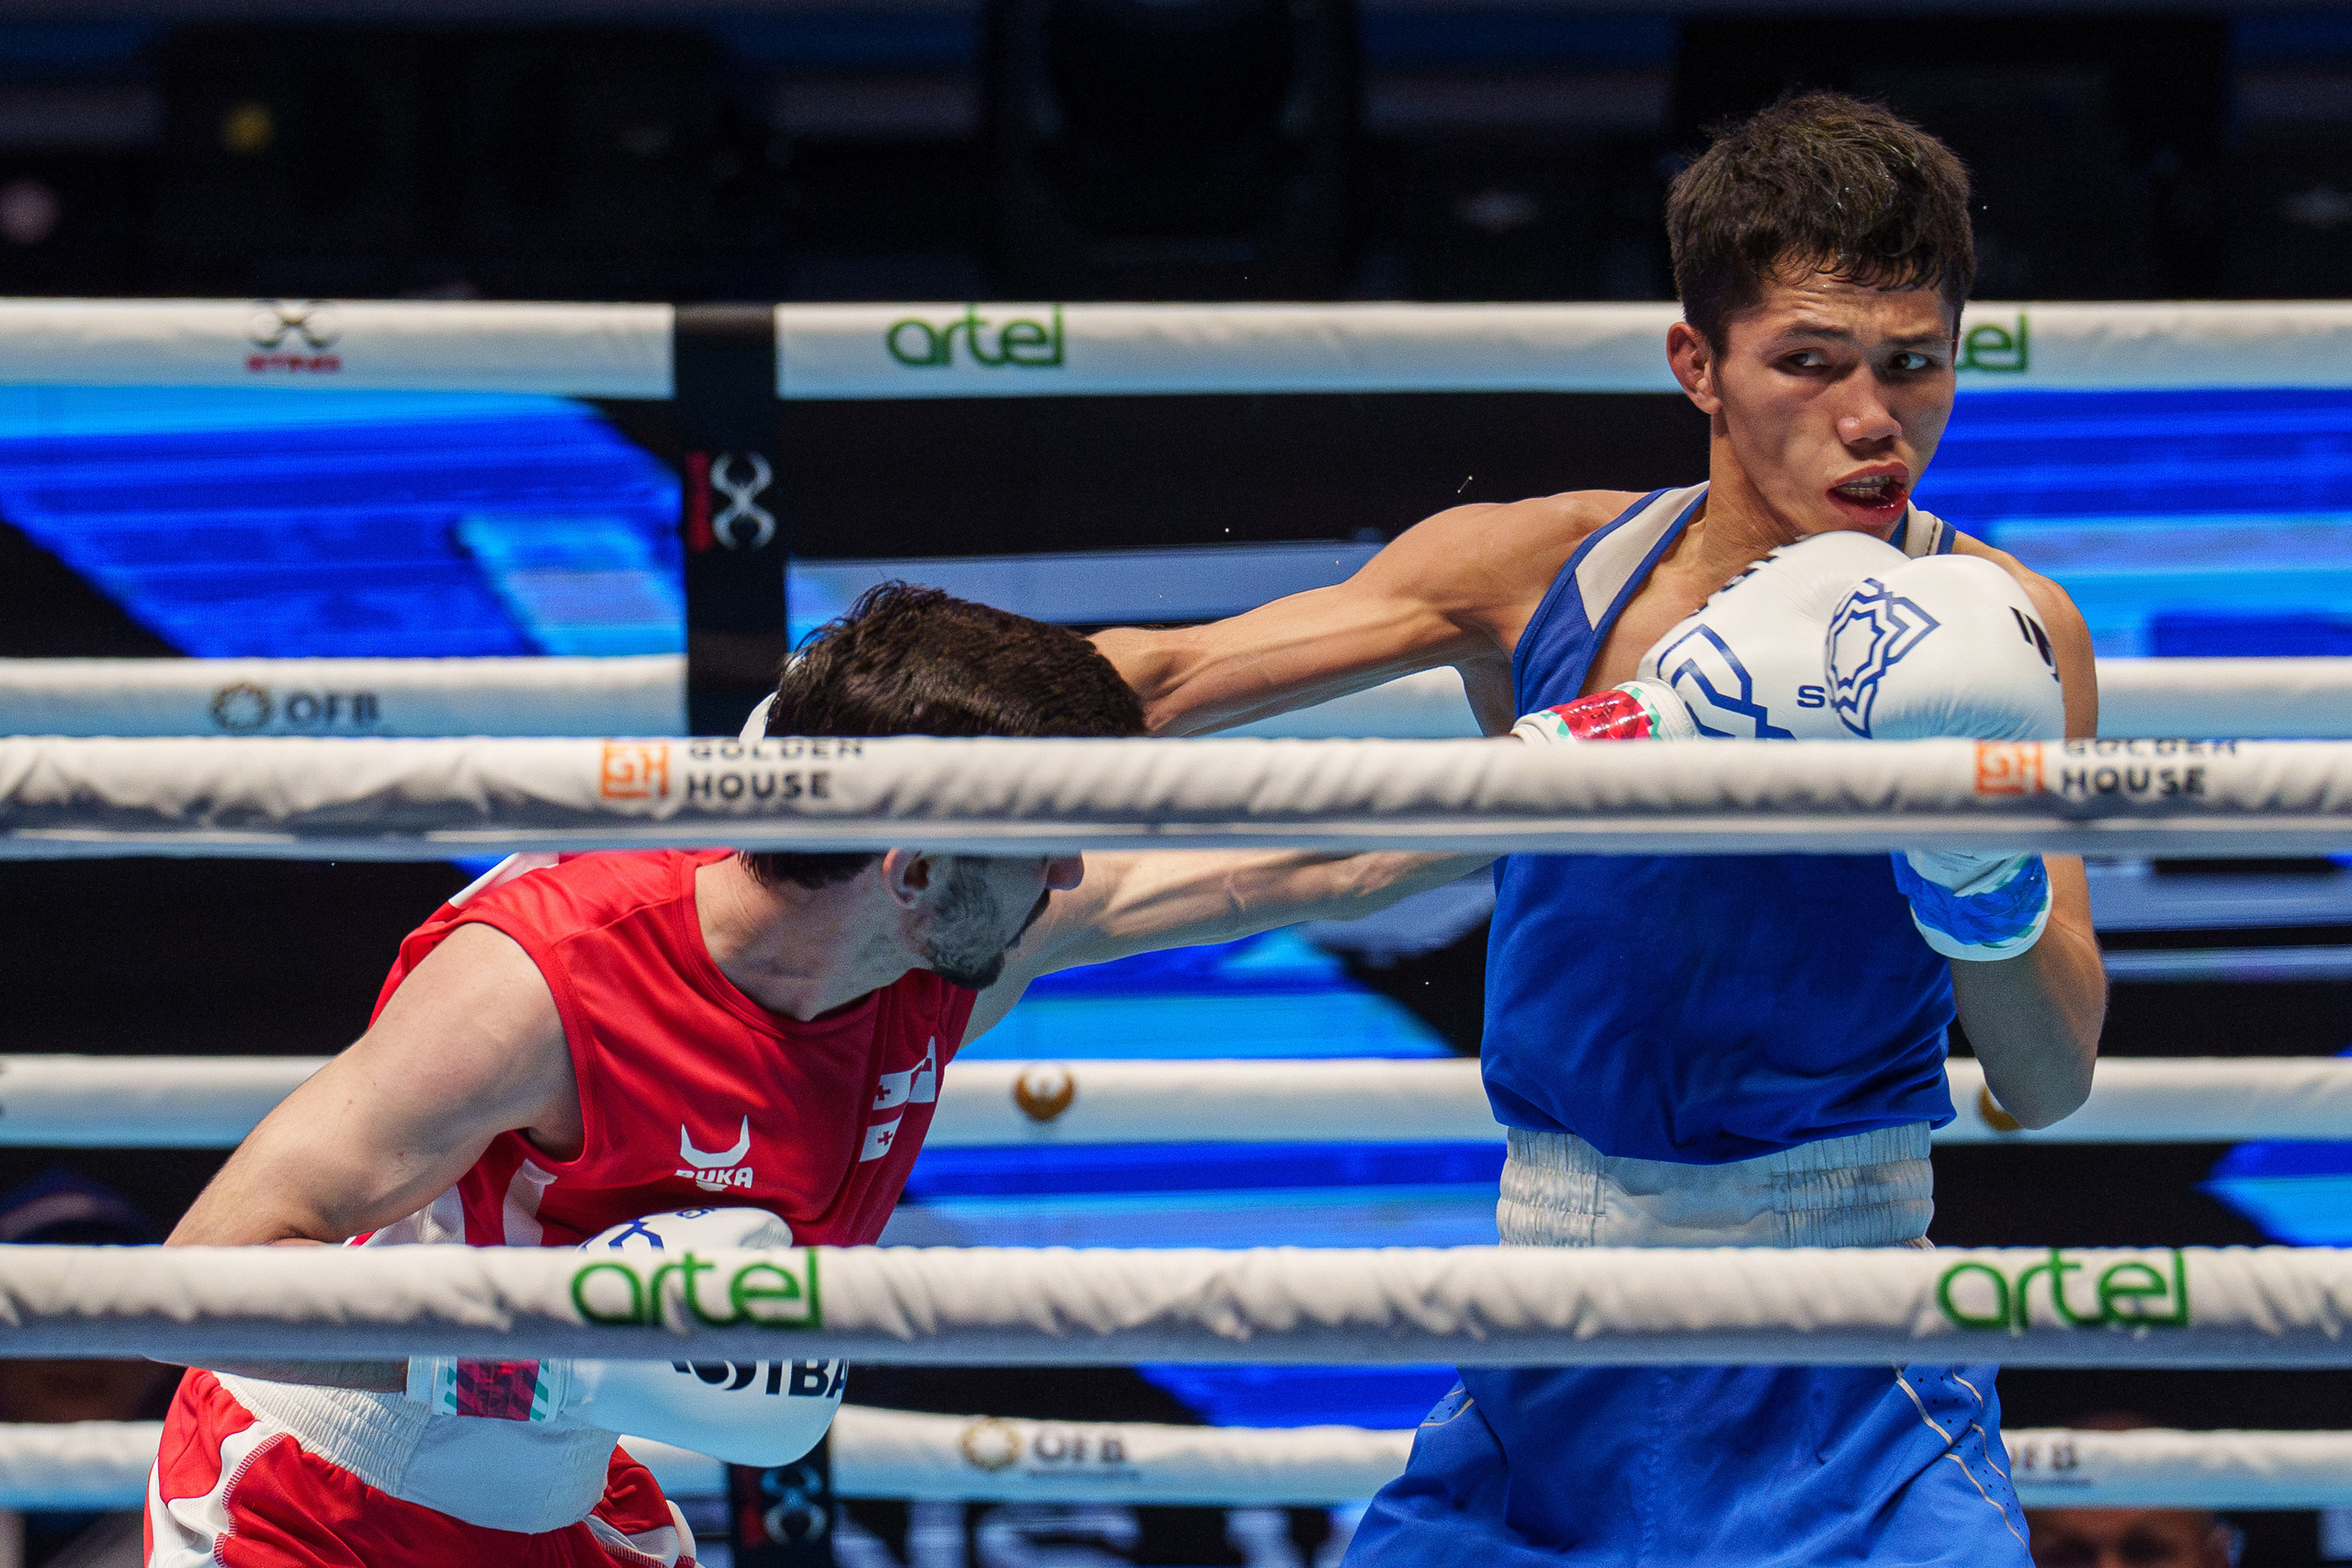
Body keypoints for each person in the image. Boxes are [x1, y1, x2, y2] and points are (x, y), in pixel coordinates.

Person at [1093, 92, 2108, 1564]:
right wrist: (836, 720)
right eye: (1810, 363)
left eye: (1915, 365)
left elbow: (2050, 1073)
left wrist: (1978, 875)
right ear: (1697, 361)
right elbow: (1169, 674)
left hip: (1852, 1351)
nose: (1872, 420)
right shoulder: (1543, 570)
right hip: (1554, 1320)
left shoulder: (2014, 630)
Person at [146, 583, 1466, 1568]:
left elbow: (1308, 867)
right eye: (1041, 852)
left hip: (553, 1507)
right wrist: (533, 1360)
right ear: (912, 871)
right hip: (312, 1501)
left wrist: (1589, 758)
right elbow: (200, 1283)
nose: (1068, 880)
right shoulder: (537, 984)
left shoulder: (939, 953)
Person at [0, 1170, 172, 1568]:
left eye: (111, 1315)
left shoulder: (216, 1514)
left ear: (164, 1358)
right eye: (44, 1315)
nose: (79, 1348)